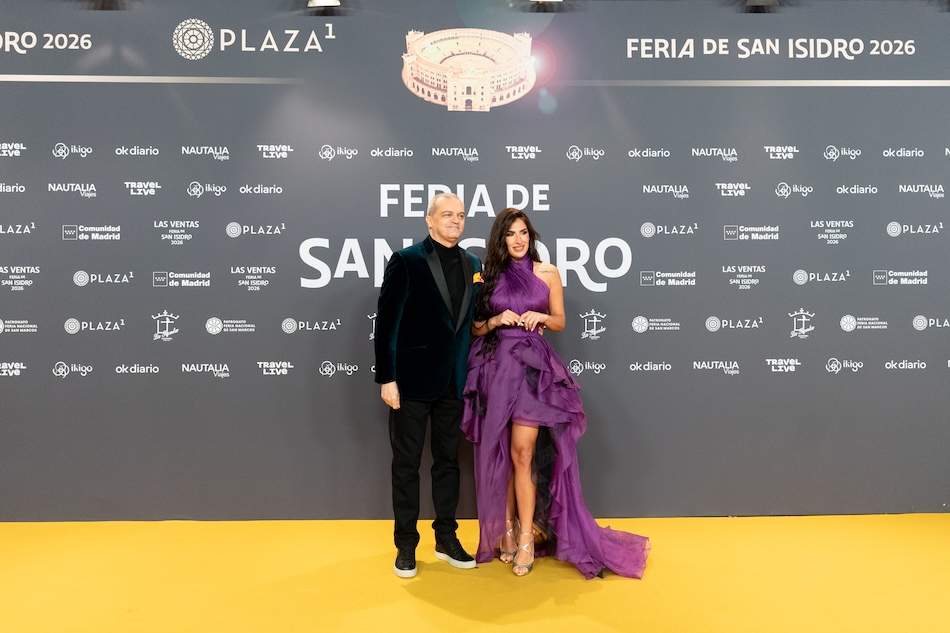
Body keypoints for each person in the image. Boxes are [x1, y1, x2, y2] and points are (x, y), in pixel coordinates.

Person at [461, 208, 650, 579]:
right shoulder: (487, 275)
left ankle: (527, 539)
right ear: (500, 239)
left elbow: (560, 321)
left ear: (531, 236)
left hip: (533, 371)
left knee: (523, 452)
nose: (518, 240)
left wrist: (542, 317)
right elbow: (475, 328)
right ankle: (508, 531)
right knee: (500, 453)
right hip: (496, 369)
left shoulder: (547, 272)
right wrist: (496, 320)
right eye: (511, 234)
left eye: (524, 233)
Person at [375, 192, 483, 578]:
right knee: (405, 465)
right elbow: (387, 323)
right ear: (430, 220)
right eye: (447, 214)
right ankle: (406, 544)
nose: (455, 220)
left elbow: (471, 321)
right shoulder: (406, 260)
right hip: (411, 382)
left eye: (461, 215)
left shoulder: (474, 263)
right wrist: (387, 378)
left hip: (454, 382)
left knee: (448, 464)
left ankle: (446, 538)